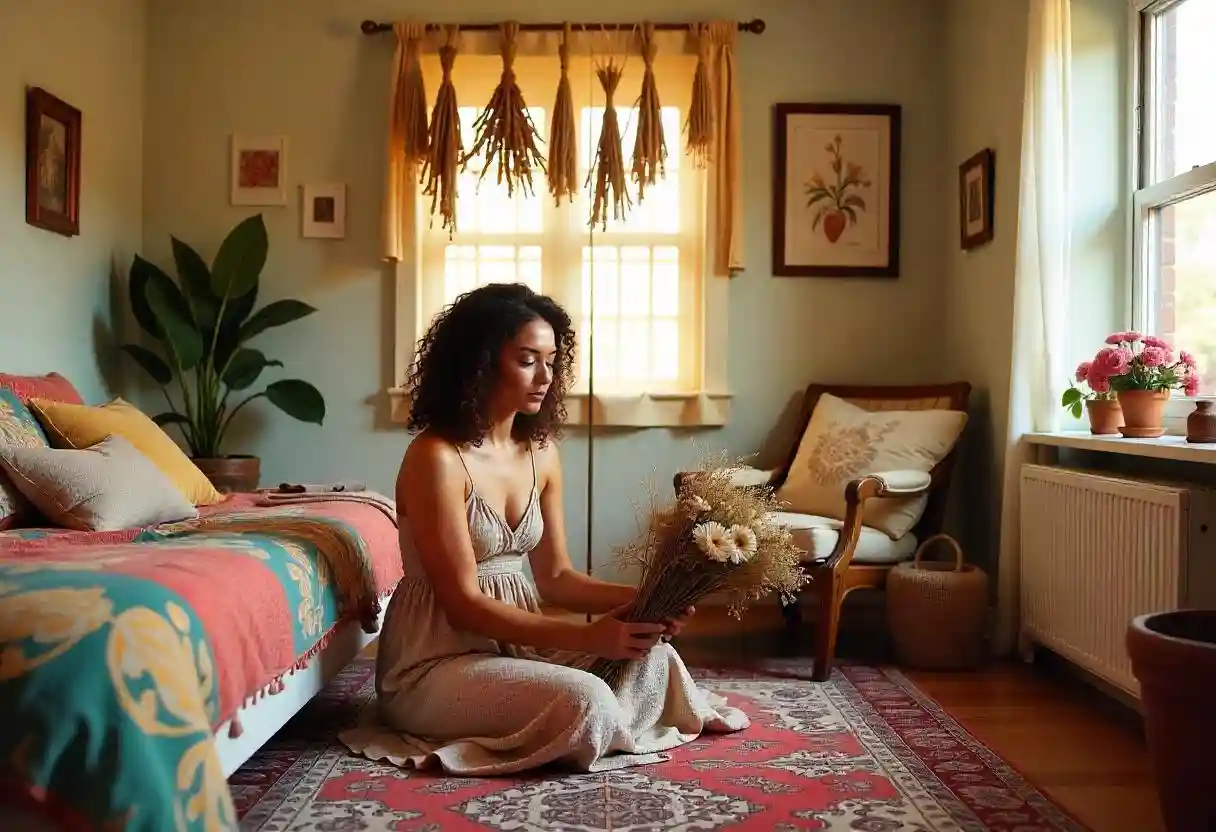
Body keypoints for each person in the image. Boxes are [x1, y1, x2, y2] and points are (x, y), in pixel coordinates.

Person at [339, 282, 749, 774]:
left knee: (658, 661)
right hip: (437, 664)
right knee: (585, 699)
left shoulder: (543, 453)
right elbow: (463, 604)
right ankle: (595, 724)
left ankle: (588, 727)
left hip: (520, 651)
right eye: (527, 360)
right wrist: (592, 639)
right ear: (481, 363)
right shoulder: (436, 458)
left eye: (552, 361)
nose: (546, 377)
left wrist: (649, 602)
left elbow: (557, 577)